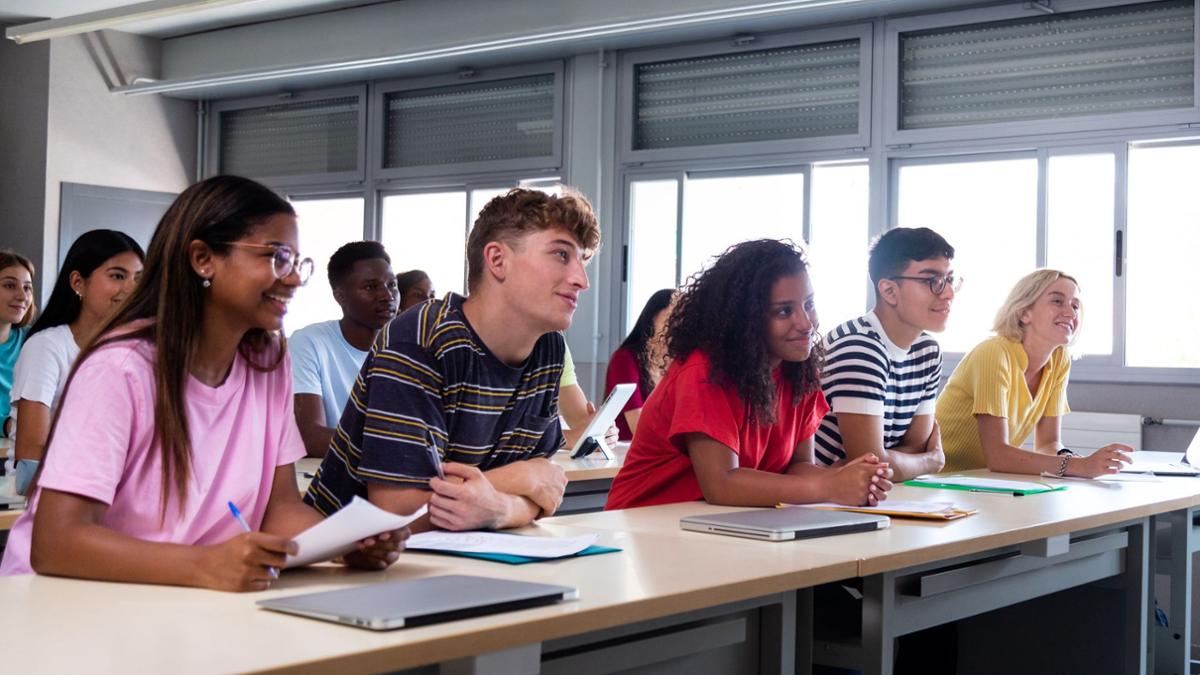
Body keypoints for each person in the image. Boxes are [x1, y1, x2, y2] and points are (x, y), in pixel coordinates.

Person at [0, 175, 405, 589]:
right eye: (276, 256)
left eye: (298, 262)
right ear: (203, 259)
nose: (294, 278)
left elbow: (279, 509)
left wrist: (342, 543)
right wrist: (203, 565)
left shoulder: (269, 362)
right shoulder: (120, 368)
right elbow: (55, 543)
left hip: (182, 599)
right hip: (66, 607)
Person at [305, 188, 601, 532]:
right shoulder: (420, 340)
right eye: (561, 255)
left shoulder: (547, 349)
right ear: (497, 260)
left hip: (471, 557)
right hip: (348, 563)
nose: (582, 279)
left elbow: (546, 493)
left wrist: (503, 508)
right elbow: (399, 511)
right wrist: (519, 480)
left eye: (582, 260)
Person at [605, 239, 892, 511]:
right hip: (644, 527)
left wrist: (843, 478)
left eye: (809, 304)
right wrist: (827, 486)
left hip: (723, 525)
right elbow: (722, 484)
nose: (805, 323)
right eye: (783, 312)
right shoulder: (704, 372)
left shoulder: (798, 370)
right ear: (747, 319)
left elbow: (796, 467)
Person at [936, 269, 1132, 476]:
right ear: (1024, 312)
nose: (1071, 313)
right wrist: (1078, 467)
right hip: (937, 483)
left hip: (983, 482)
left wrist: (1071, 458)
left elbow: (1048, 443)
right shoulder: (994, 352)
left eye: (1075, 305)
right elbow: (998, 456)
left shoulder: (1059, 359)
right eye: (1057, 301)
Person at [814, 227, 954, 482]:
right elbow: (871, 462)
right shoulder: (859, 346)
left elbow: (915, 446)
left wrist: (904, 459)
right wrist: (931, 462)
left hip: (873, 498)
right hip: (812, 501)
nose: (947, 293)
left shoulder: (927, 351)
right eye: (931, 280)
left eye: (949, 279)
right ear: (889, 291)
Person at [10, 230, 144, 495]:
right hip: (54, 498)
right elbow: (31, 457)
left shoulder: (134, 351)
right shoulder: (47, 346)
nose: (130, 289)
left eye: (139, 279)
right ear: (78, 282)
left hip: (114, 495)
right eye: (117, 276)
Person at [291, 241, 398, 457]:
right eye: (370, 287)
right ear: (339, 296)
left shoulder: (404, 351)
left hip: (385, 477)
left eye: (392, 285)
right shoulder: (310, 342)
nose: (387, 296)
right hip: (329, 479)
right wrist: (393, 446)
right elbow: (310, 437)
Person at [605, 288, 673, 441]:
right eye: (671, 316)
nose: (678, 325)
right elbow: (638, 426)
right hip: (625, 452)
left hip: (659, 451)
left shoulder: (677, 363)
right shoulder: (625, 359)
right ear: (652, 317)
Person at [0, 250, 35, 443]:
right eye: (9, 285)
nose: (22, 296)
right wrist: (6, 425)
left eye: (28, 288)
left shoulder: (35, 341)